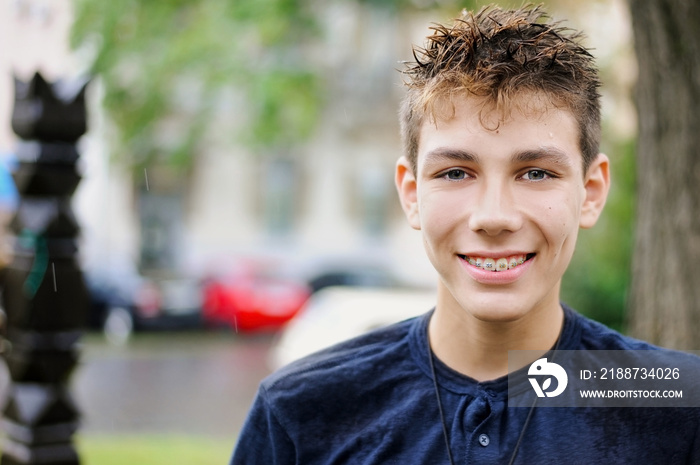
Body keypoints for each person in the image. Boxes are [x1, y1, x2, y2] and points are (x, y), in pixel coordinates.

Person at [230, 5, 700, 464]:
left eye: (535, 173)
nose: (493, 217)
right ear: (412, 193)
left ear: (591, 191)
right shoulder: (301, 409)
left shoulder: (677, 403)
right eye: (456, 173)